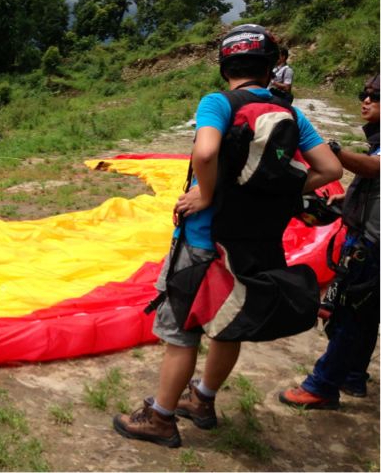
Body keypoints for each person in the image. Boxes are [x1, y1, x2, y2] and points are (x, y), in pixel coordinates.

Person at [113, 25, 342, 448]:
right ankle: (203, 398)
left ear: (225, 67)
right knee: (228, 325)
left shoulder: (218, 103)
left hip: (204, 241)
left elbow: (205, 152)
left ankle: (160, 418)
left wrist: (208, 192)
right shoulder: (290, 114)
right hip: (255, 242)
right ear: (270, 67)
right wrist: (280, 191)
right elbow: (330, 169)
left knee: (182, 331)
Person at [280, 74, 380, 409]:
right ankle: (352, 376)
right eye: (364, 94)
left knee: (347, 316)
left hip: (371, 245)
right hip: (369, 238)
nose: (366, 101)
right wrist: (346, 201)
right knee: (366, 316)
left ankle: (322, 386)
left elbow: (374, 168)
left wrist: (333, 151)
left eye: (376, 96)